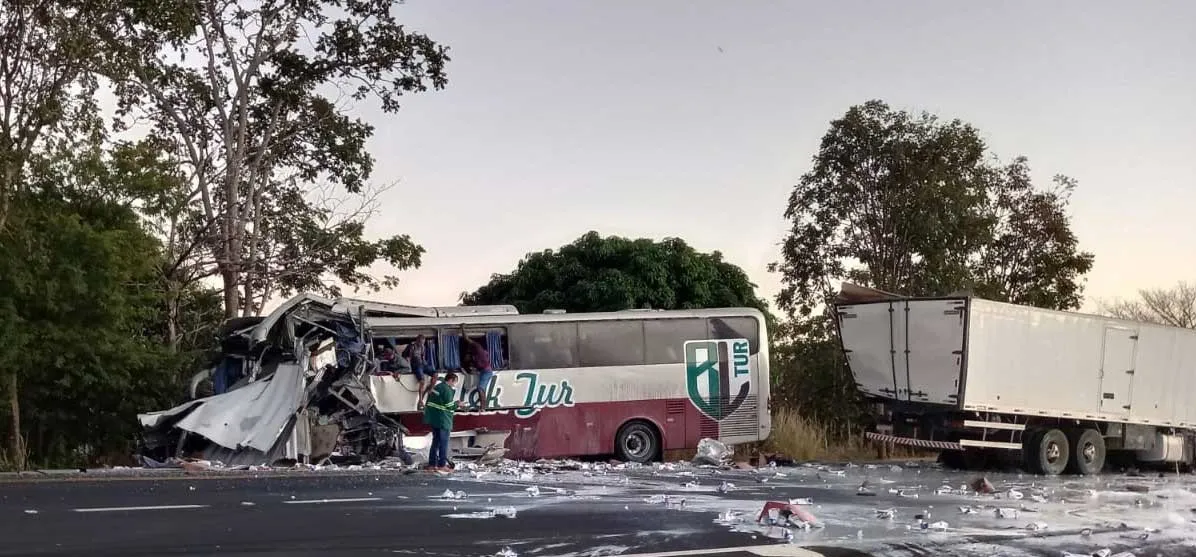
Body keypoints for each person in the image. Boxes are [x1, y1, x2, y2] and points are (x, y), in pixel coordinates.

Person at [423, 372, 460, 473]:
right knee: (443, 443)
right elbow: (449, 405)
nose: (455, 384)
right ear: (451, 380)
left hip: (434, 419)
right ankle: (441, 465)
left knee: (435, 442)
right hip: (444, 420)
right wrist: (458, 404)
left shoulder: (438, 387)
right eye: (455, 382)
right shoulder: (447, 390)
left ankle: (432, 464)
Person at [460, 326, 494, 409]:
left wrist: (462, 328)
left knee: (480, 388)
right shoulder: (475, 355)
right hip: (482, 371)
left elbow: (466, 339)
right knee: (481, 388)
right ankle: (483, 406)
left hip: (486, 371)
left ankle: (483, 407)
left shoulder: (477, 347)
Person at [402, 334, 436, 409]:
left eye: (423, 342)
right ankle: (420, 400)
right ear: (417, 340)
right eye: (420, 342)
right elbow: (405, 356)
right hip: (416, 365)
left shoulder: (423, 347)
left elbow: (423, 357)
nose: (422, 344)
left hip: (423, 364)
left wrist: (426, 364)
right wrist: (409, 366)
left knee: (435, 374)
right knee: (422, 381)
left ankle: (430, 389)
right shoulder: (411, 346)